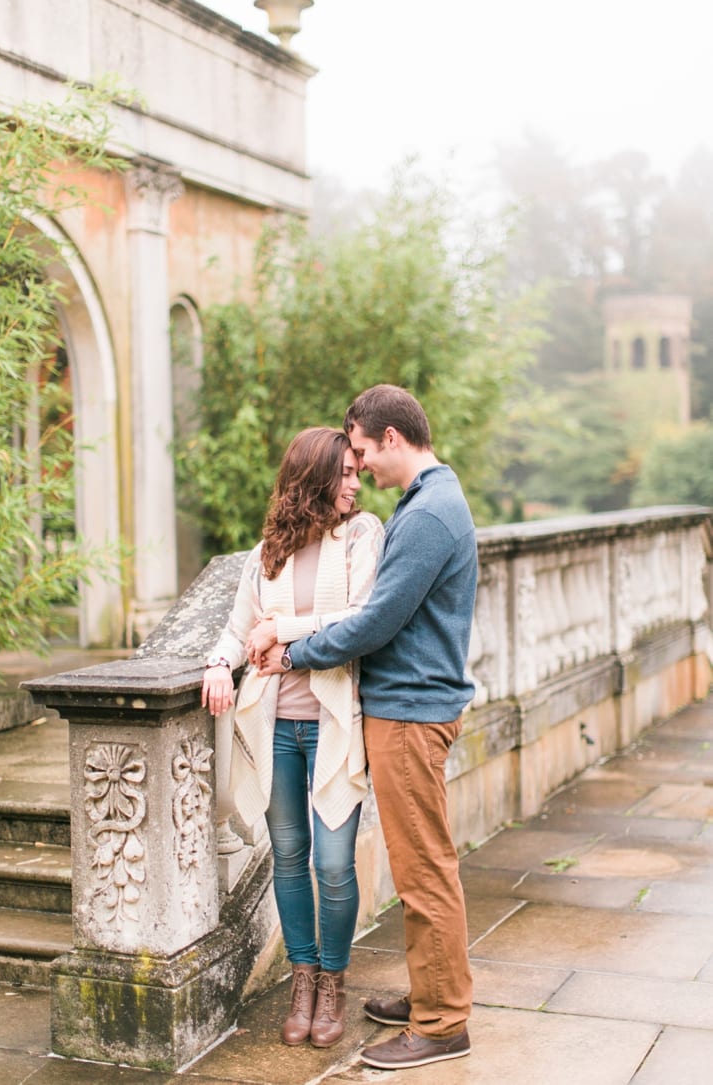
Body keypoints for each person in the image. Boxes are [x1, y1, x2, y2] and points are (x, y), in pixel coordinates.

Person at [255, 385, 477, 1071]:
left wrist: (293, 651)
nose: (360, 468)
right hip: (404, 709)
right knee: (421, 865)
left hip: (411, 713)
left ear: (388, 437)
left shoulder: (429, 513)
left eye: (360, 451)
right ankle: (430, 994)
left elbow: (376, 621)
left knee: (422, 872)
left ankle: (441, 1023)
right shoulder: (428, 502)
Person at [202, 427, 384, 1049]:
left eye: (360, 472)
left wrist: (284, 627)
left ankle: (334, 980)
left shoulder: (363, 535)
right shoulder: (267, 552)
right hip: (274, 726)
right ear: (313, 477)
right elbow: (237, 630)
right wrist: (214, 666)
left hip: (335, 724)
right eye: (345, 473)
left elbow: (363, 618)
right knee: (286, 857)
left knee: (332, 864)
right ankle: (302, 977)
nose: (356, 484)